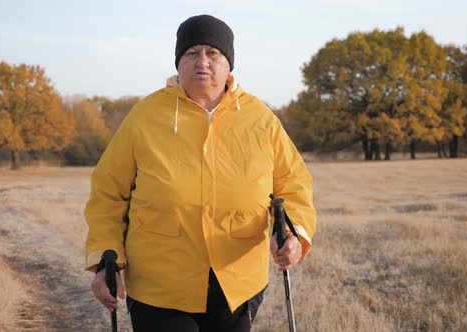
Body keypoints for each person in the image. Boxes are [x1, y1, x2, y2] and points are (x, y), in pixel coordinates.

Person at [85, 14, 316, 332]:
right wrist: (103, 261)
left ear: (228, 64)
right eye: (192, 53)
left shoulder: (259, 118)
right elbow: (108, 192)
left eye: (213, 53)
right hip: (160, 286)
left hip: (237, 284)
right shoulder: (145, 116)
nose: (202, 62)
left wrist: (294, 235)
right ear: (179, 63)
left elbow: (293, 183)